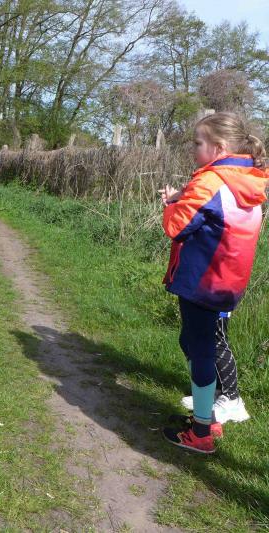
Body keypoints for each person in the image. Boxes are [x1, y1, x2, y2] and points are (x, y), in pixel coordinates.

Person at [160, 112, 266, 453]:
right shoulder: (248, 181)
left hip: (202, 281)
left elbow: (176, 226)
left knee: (200, 348)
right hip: (227, 281)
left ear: (218, 148)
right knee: (194, 342)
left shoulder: (210, 181)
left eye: (198, 143)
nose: (193, 149)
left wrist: (171, 202)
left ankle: (202, 432)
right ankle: (207, 415)